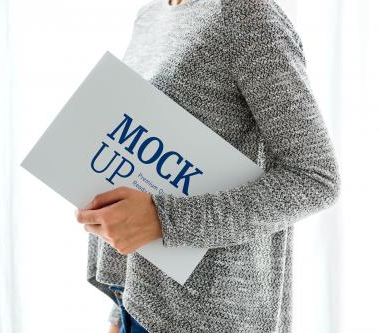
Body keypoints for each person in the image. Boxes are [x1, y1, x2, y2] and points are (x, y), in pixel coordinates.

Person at [75, 0, 341, 332]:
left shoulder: (248, 16)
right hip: (137, 303)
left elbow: (315, 178)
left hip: (209, 315)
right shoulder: (150, 15)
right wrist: (118, 312)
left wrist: (165, 219)